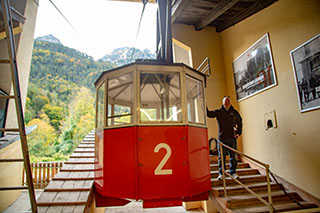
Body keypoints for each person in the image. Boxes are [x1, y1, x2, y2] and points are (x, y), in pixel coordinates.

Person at [207, 96, 242, 180]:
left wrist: (238, 133)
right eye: (225, 100)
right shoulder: (219, 112)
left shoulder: (234, 112)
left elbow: (240, 122)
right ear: (223, 102)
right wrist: (204, 104)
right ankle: (221, 173)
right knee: (221, 157)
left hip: (232, 138)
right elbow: (209, 114)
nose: (227, 102)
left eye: (228, 100)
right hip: (222, 138)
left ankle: (233, 172)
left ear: (230, 102)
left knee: (233, 157)